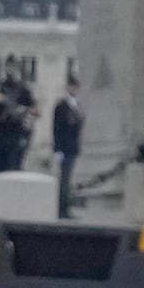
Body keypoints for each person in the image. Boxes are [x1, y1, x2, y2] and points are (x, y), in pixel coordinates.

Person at [51, 82, 85, 214]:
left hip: (73, 147)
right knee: (64, 179)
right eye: (72, 86)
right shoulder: (61, 106)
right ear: (67, 88)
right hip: (64, 147)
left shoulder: (77, 106)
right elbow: (57, 128)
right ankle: (62, 209)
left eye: (76, 87)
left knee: (68, 178)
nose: (74, 89)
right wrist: (57, 148)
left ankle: (65, 207)